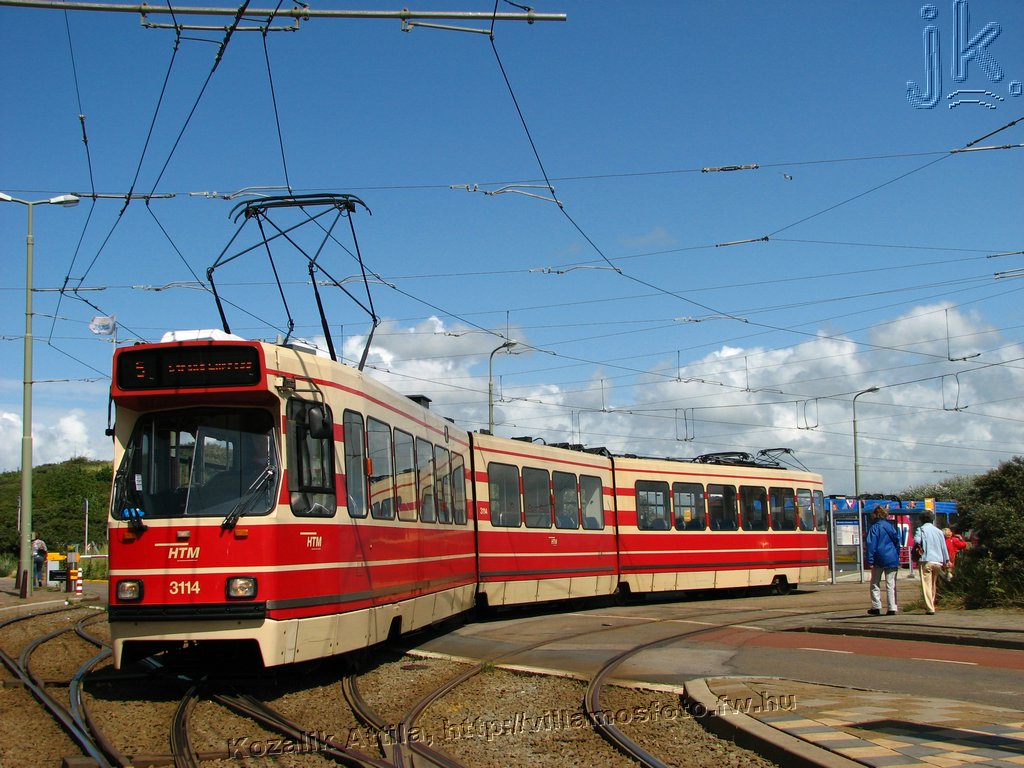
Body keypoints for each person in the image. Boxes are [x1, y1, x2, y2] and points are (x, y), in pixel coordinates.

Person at [864, 508, 900, 615]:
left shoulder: (874, 528)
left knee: (875, 583)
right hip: (892, 558)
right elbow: (897, 542)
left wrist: (870, 560)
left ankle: (876, 606)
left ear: (876, 515)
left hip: (878, 559)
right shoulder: (890, 526)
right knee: (891, 584)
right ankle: (892, 607)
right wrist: (896, 554)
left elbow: (871, 545)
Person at [913, 511, 949, 614]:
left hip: (926, 560)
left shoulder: (920, 530)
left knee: (926, 585)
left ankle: (930, 608)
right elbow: (943, 547)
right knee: (933, 584)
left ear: (921, 520)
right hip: (938, 561)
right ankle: (932, 603)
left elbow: (917, 541)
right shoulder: (939, 531)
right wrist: (946, 560)